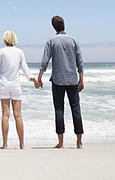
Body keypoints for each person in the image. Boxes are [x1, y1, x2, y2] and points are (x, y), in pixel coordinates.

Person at [0, 30, 37, 149]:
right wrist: (33, 79)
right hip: (16, 85)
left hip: (4, 85)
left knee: (5, 114)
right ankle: (22, 144)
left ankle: (5, 145)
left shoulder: (1, 52)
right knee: (18, 115)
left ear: (5, 39)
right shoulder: (20, 52)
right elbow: (25, 68)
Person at [36, 16, 84, 149]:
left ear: (54, 27)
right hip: (72, 79)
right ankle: (79, 142)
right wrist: (81, 79)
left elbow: (44, 62)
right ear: (64, 25)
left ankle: (61, 143)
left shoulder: (51, 41)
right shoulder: (73, 40)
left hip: (57, 80)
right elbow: (80, 61)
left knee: (59, 110)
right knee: (76, 109)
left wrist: (39, 78)